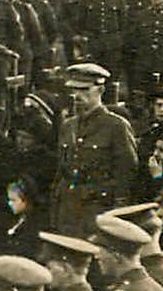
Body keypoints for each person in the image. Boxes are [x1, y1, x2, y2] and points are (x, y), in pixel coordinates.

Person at [49, 63, 136, 234]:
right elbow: (61, 172)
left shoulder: (116, 126)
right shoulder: (68, 126)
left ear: (100, 90)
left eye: (84, 90)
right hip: (68, 211)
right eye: (73, 90)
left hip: (97, 212)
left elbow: (126, 174)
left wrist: (116, 218)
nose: (77, 96)